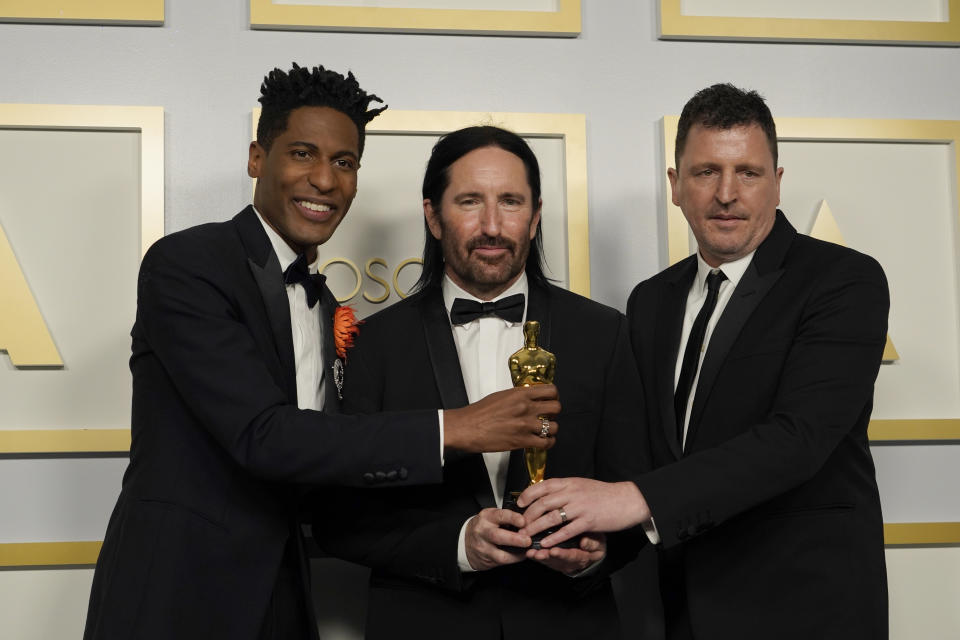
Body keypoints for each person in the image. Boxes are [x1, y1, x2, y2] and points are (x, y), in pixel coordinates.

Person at [83, 65, 560, 640]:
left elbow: (332, 467)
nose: (325, 180)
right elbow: (262, 435)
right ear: (258, 158)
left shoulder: (326, 305)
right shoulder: (188, 265)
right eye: (303, 154)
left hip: (283, 599)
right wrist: (453, 429)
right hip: (176, 595)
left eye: (344, 163)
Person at [519, 84, 889, 639]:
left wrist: (629, 500)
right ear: (675, 186)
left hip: (807, 610)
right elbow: (646, 453)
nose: (726, 193)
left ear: (778, 183)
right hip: (683, 611)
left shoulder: (844, 281)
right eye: (705, 172)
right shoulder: (651, 300)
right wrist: (597, 546)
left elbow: (798, 439)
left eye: (748, 172)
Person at [312, 126, 646, 640]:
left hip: (570, 623)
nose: (492, 225)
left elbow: (640, 492)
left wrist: (594, 556)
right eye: (470, 201)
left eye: (510, 202)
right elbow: (339, 521)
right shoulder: (372, 345)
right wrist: (457, 544)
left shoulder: (605, 334)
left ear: (535, 217)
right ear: (433, 217)